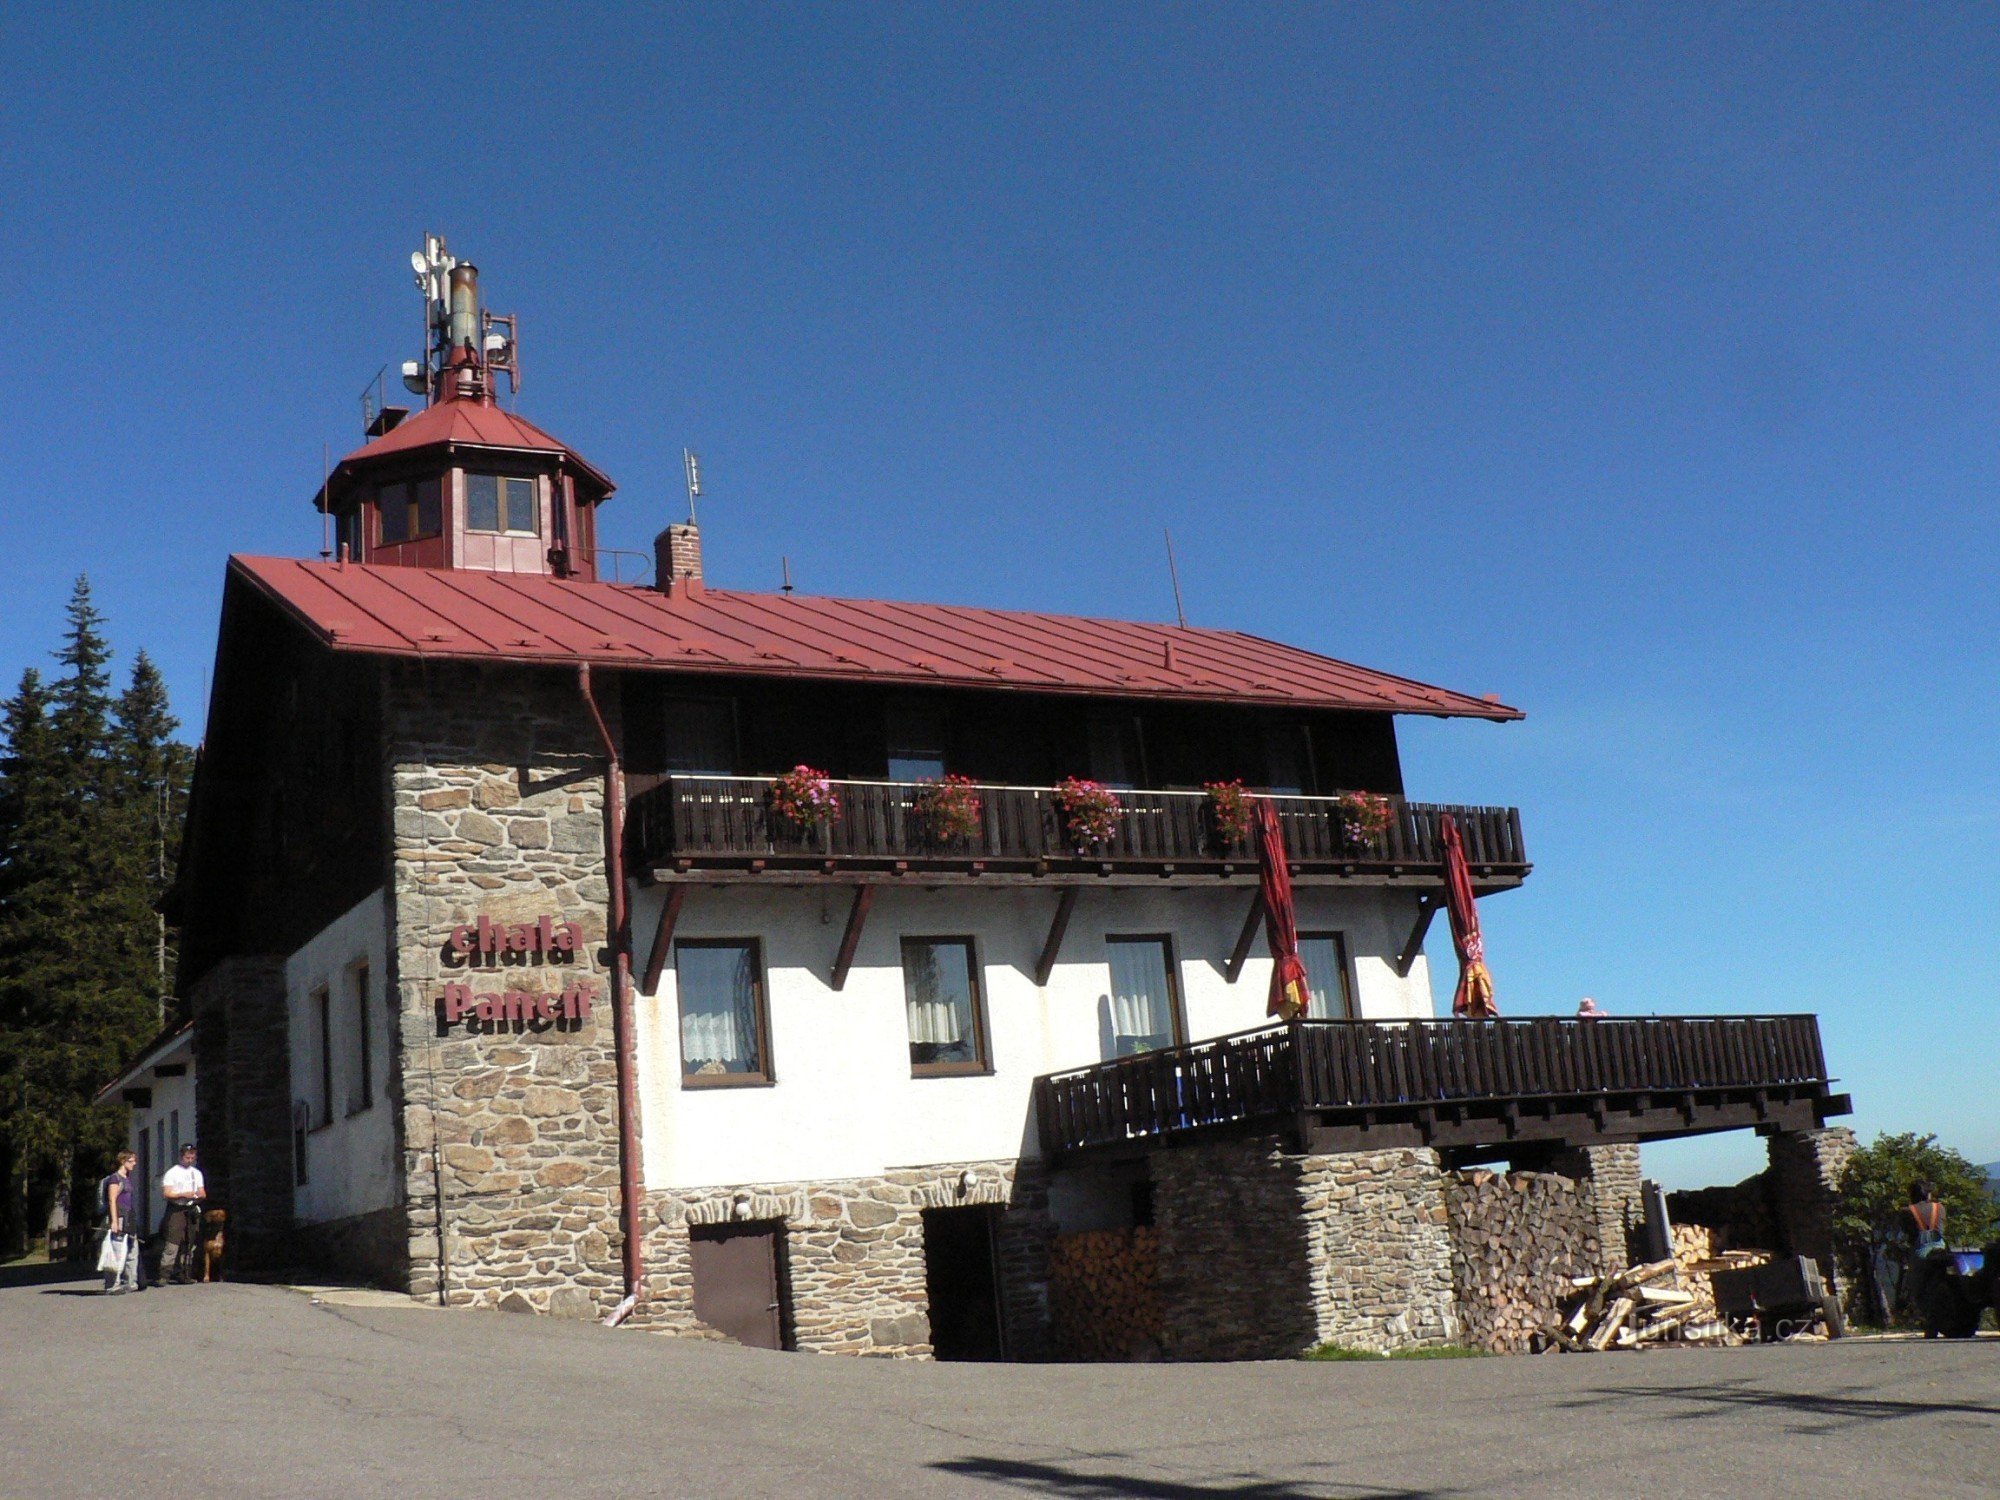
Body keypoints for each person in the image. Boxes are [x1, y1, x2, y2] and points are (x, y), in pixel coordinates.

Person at [159, 1143, 207, 1285]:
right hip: (176, 1208)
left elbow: (202, 1192)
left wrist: (198, 1196)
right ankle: (164, 1275)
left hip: (191, 1208)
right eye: (187, 1157)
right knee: (173, 1242)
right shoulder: (172, 1173)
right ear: (181, 1157)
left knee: (189, 1241)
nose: (190, 1159)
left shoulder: (196, 1173)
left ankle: (185, 1273)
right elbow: (167, 1193)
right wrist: (182, 1195)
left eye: (192, 1157)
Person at [99, 1152, 141, 1295]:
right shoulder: (114, 1179)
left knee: (132, 1249)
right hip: (120, 1217)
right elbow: (112, 1200)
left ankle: (131, 1282)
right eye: (131, 1161)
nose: (134, 1163)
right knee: (116, 1250)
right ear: (123, 1161)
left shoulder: (127, 1178)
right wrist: (114, 1221)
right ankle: (112, 1285)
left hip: (130, 1217)